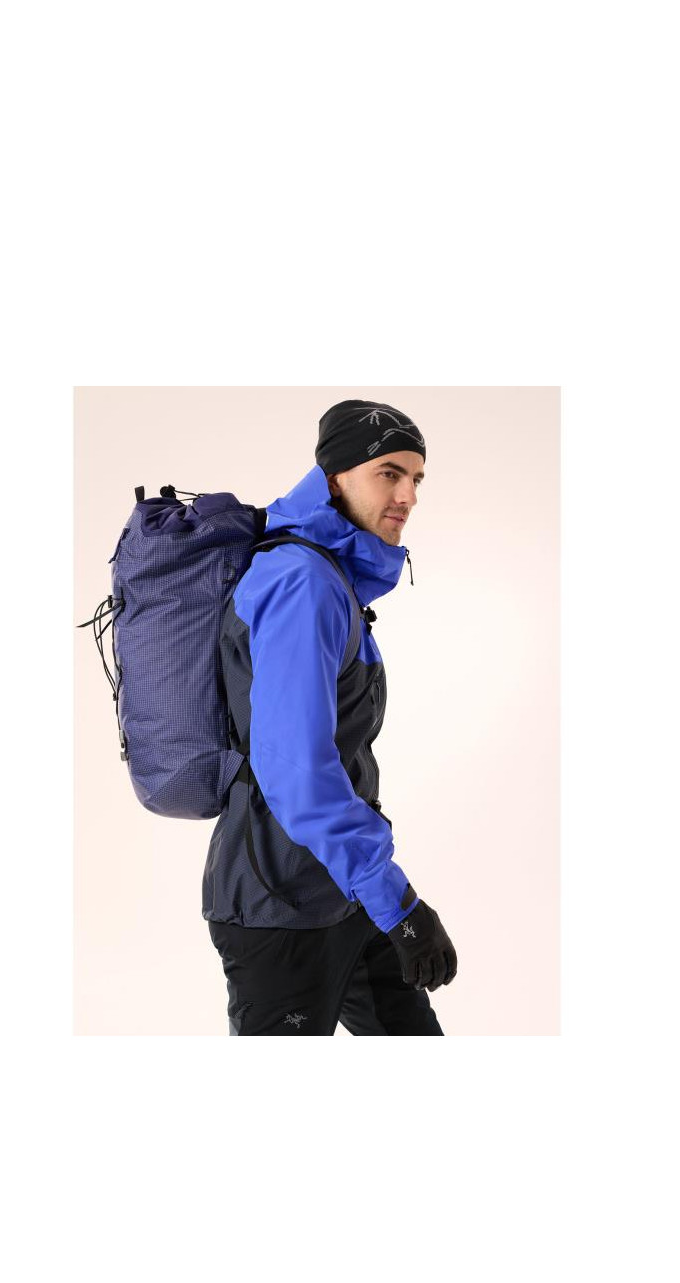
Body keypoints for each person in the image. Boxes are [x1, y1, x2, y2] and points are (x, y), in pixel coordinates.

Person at [202, 399, 458, 1035]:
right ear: (336, 476)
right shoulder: (302, 582)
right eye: (389, 473)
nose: (408, 496)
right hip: (282, 903)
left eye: (416, 478)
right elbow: (297, 772)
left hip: (340, 888)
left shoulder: (330, 575)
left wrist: (381, 895)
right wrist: (398, 906)